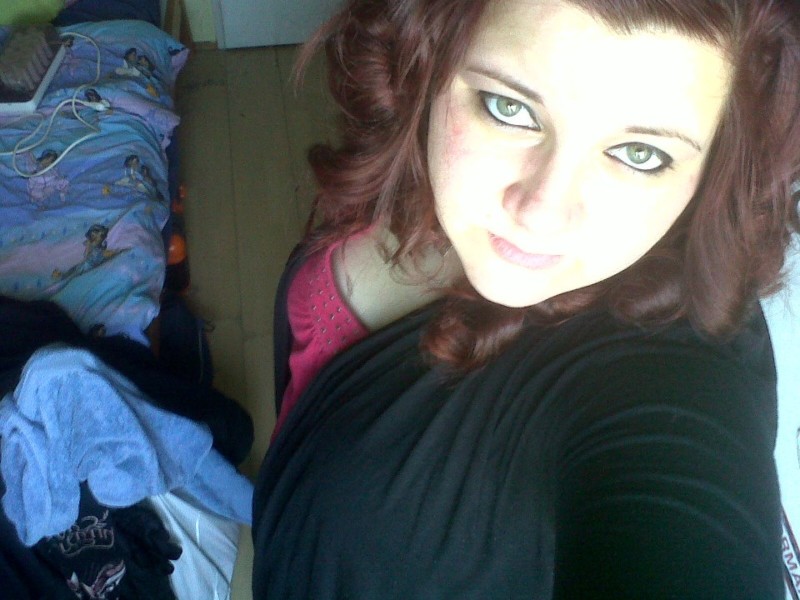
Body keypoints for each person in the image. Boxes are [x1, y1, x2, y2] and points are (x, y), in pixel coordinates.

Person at [252, 0, 800, 597]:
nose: (541, 212)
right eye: (508, 108)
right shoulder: (407, 173)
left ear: (716, 163)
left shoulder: (673, 376)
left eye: (640, 154)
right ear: (432, 57)